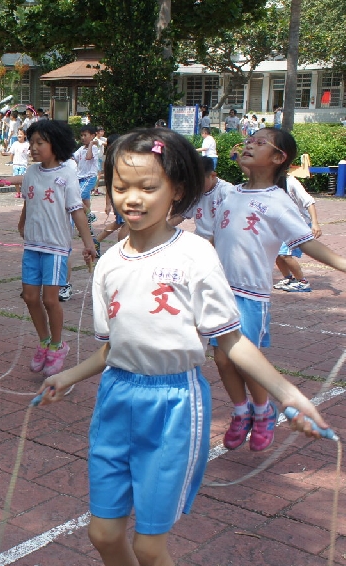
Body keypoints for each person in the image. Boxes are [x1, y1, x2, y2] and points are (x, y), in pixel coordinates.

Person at [36, 126, 331, 566]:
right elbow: (112, 348)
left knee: (151, 546)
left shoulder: (194, 254)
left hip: (174, 403)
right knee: (103, 533)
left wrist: (289, 394)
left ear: (176, 190)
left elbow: (230, 341)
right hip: (116, 399)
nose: (131, 198)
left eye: (147, 187)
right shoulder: (109, 263)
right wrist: (68, 374)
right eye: (120, 187)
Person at [209, 128, 346, 452]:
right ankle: (242, 411)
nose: (248, 145)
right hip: (220, 292)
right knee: (221, 358)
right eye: (249, 141)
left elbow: (307, 243)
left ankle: (263, 410)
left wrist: (342, 264)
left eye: (259, 143)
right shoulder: (229, 193)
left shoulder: (278, 202)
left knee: (245, 359)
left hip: (251, 295)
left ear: (278, 158)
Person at [0, 120, 96, 376]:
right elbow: (28, 200)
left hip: (55, 247)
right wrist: (22, 221)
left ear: (56, 145)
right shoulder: (31, 172)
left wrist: (88, 243)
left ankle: (57, 345)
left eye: (40, 143)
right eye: (32, 143)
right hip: (32, 244)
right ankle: (43, 342)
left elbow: (77, 210)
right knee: (30, 297)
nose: (34, 147)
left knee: (50, 299)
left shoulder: (66, 174)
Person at [273, 174, 322, 293]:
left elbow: (309, 201)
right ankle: (288, 278)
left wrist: (315, 223)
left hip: (298, 224)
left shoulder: (291, 182)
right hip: (283, 224)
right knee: (276, 253)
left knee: (284, 254)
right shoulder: (271, 180)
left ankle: (302, 282)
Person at [168, 155, 233, 242]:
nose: (195, 186)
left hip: (220, 242)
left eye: (199, 182)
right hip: (201, 241)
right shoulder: (196, 194)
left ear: (212, 176)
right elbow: (180, 216)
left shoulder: (227, 192)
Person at [74, 125, 103, 223]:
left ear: (92, 136)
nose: (82, 138)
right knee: (85, 202)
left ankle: (90, 216)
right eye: (81, 135)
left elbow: (88, 157)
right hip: (80, 178)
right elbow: (73, 157)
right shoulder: (81, 149)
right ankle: (87, 225)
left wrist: (90, 145)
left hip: (89, 178)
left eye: (85, 135)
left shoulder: (94, 148)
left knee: (76, 198)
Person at [6, 128, 30, 198]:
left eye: (21, 134)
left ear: (25, 136)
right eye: (18, 134)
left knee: (22, 180)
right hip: (16, 164)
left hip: (23, 164)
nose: (19, 135)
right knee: (15, 179)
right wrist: (12, 161)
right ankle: (18, 192)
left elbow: (29, 153)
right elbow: (11, 153)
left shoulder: (27, 144)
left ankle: (23, 192)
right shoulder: (15, 144)